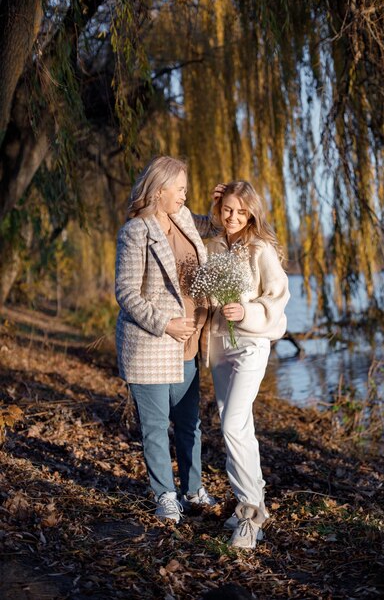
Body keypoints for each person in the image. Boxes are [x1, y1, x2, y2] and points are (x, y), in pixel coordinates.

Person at [115, 156, 216, 523]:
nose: (185, 196)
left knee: (190, 424)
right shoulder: (135, 231)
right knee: (156, 427)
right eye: (181, 189)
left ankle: (193, 489)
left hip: (188, 342)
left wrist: (221, 204)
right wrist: (165, 324)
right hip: (151, 344)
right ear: (160, 190)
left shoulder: (183, 217)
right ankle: (165, 495)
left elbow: (212, 225)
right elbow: (126, 292)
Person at [206, 180, 290, 548]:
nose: (233, 217)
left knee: (232, 425)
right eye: (227, 209)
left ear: (253, 212)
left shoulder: (261, 249)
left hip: (251, 345)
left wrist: (247, 312)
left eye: (241, 211)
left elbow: (278, 298)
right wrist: (213, 201)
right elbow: (182, 220)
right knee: (240, 425)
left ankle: (250, 514)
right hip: (220, 346)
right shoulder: (214, 241)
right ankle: (254, 507)